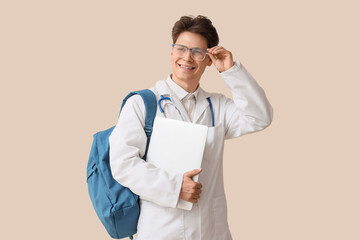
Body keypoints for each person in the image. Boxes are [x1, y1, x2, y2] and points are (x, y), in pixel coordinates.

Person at [109, 15, 273, 240]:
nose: (187, 57)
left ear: (208, 59)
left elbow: (260, 116)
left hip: (212, 231)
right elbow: (122, 164)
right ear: (171, 52)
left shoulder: (218, 106)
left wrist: (231, 71)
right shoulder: (141, 104)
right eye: (181, 48)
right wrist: (175, 187)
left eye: (197, 51)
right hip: (162, 230)